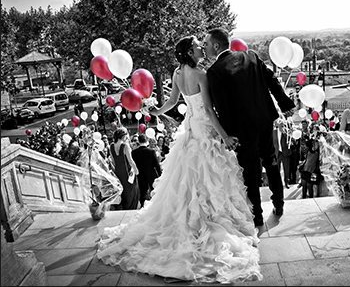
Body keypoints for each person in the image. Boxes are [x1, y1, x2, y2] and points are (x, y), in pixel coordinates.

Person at [97, 35, 262, 284]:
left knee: (188, 178)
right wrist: (225, 136)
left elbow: (173, 102)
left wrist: (156, 111)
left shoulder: (176, 74)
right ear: (189, 51)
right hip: (204, 127)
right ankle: (205, 220)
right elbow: (207, 110)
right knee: (210, 176)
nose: (200, 47)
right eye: (197, 45)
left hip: (190, 129)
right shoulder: (201, 75)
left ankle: (191, 218)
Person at [204, 28, 296, 227]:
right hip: (264, 120)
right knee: (271, 161)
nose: (204, 47)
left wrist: (228, 135)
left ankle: (257, 216)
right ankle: (279, 203)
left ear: (216, 45)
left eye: (207, 44)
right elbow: (272, 80)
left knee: (250, 171)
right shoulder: (251, 56)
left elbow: (222, 107)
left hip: (241, 129)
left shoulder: (214, 72)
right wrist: (285, 103)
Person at [109, 127, 140, 210]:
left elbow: (113, 161)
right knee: (130, 191)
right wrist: (136, 170)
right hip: (127, 172)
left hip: (118, 172)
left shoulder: (111, 146)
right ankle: (130, 207)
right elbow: (130, 161)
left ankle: (123, 206)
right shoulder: (125, 146)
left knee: (122, 190)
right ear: (123, 136)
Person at [131, 134, 161, 208]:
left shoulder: (134, 152)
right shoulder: (151, 152)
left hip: (141, 175)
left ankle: (142, 206)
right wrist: (160, 175)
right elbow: (156, 165)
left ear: (139, 141)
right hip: (151, 174)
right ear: (146, 141)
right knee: (154, 190)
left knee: (142, 192)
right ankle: (155, 205)